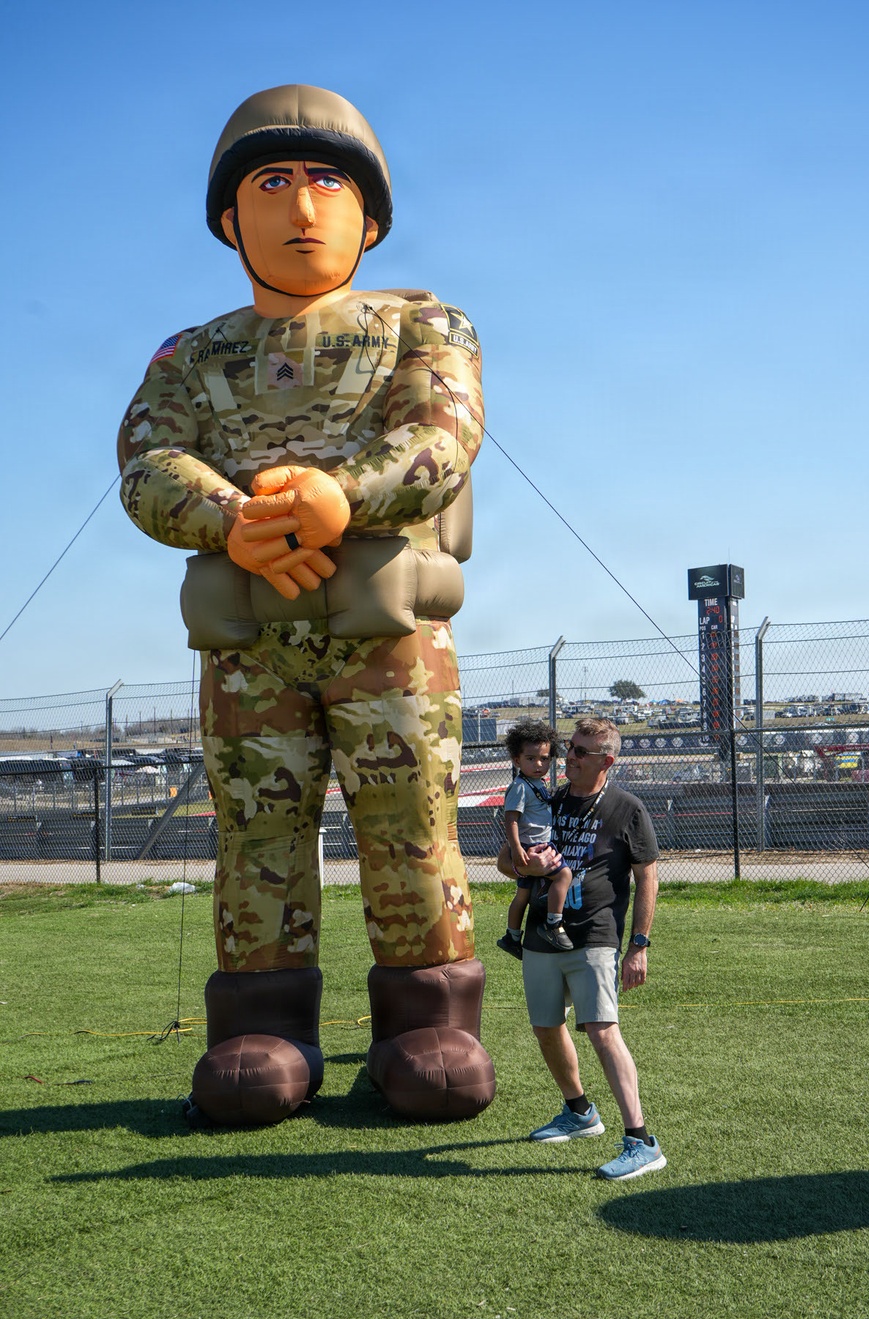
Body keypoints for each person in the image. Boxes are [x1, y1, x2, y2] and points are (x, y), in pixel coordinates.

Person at [118, 84, 494, 1126]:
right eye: (270, 182)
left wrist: (343, 496)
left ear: (369, 217)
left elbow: (441, 435)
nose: (301, 206)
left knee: (410, 824)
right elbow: (146, 459)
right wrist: (230, 517)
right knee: (254, 832)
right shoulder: (190, 355)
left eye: (327, 180)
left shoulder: (421, 322)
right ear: (230, 220)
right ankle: (262, 1026)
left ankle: (430, 1023)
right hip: (251, 646)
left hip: (390, 643)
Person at [498, 716, 665, 1181]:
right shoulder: (544, 799)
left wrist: (639, 944)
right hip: (541, 934)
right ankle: (580, 1112)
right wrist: (524, 865)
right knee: (546, 1027)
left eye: (577, 751)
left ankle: (641, 1141)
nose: (564, 757)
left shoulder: (626, 808)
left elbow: (647, 876)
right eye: (567, 748)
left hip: (594, 934)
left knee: (601, 1030)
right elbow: (503, 865)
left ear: (605, 761)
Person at [496, 719, 574, 959]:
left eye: (544, 758)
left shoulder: (536, 783)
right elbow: (510, 819)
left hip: (533, 845)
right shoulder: (520, 786)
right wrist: (516, 847)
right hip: (534, 846)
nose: (539, 764)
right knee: (563, 875)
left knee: (523, 895)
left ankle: (511, 936)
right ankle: (553, 924)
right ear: (516, 760)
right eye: (531, 759)